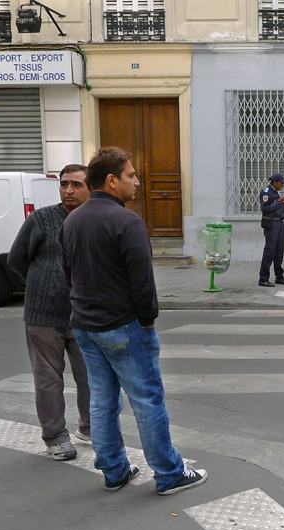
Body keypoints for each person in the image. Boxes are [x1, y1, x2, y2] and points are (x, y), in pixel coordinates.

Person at [60, 147, 208, 494]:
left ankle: (113, 470)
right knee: (147, 400)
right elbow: (142, 282)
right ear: (112, 181)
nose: (137, 182)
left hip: (84, 324)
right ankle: (170, 473)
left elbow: (69, 274)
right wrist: (148, 321)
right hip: (123, 324)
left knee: (102, 400)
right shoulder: (127, 222)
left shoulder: (73, 220)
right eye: (131, 175)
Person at [8, 164, 92, 461]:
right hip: (43, 316)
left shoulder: (94, 220)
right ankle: (56, 437)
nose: (68, 190)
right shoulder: (42, 219)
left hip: (84, 316)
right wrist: (42, 282)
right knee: (48, 380)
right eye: (64, 184)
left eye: (76, 185)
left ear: (91, 187)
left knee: (92, 377)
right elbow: (17, 258)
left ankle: (90, 427)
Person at [258, 173, 284, 287]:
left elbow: (279, 209)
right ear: (275, 182)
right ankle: (263, 278)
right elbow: (265, 209)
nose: (282, 185)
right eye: (281, 183)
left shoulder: (276, 193)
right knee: (270, 250)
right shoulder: (266, 192)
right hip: (271, 223)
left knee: (279, 251)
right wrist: (279, 202)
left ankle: (279, 276)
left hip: (279, 223)